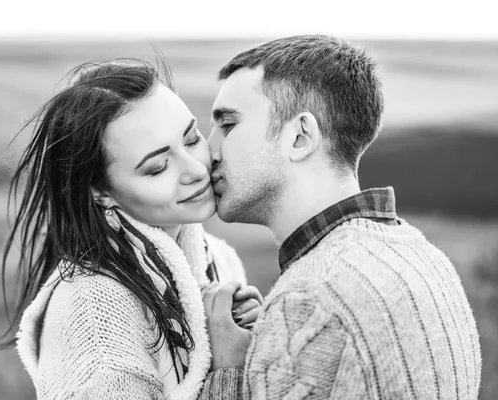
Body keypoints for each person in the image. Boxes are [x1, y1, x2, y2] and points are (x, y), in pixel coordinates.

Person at [201, 35, 481, 399]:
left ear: (300, 137)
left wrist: (229, 371)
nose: (209, 152)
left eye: (228, 125)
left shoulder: (309, 299)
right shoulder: (424, 255)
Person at [0, 59, 263, 400]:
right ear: (100, 191)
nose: (195, 169)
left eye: (192, 138)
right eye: (158, 167)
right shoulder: (94, 322)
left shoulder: (219, 258)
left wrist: (256, 338)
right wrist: (228, 369)